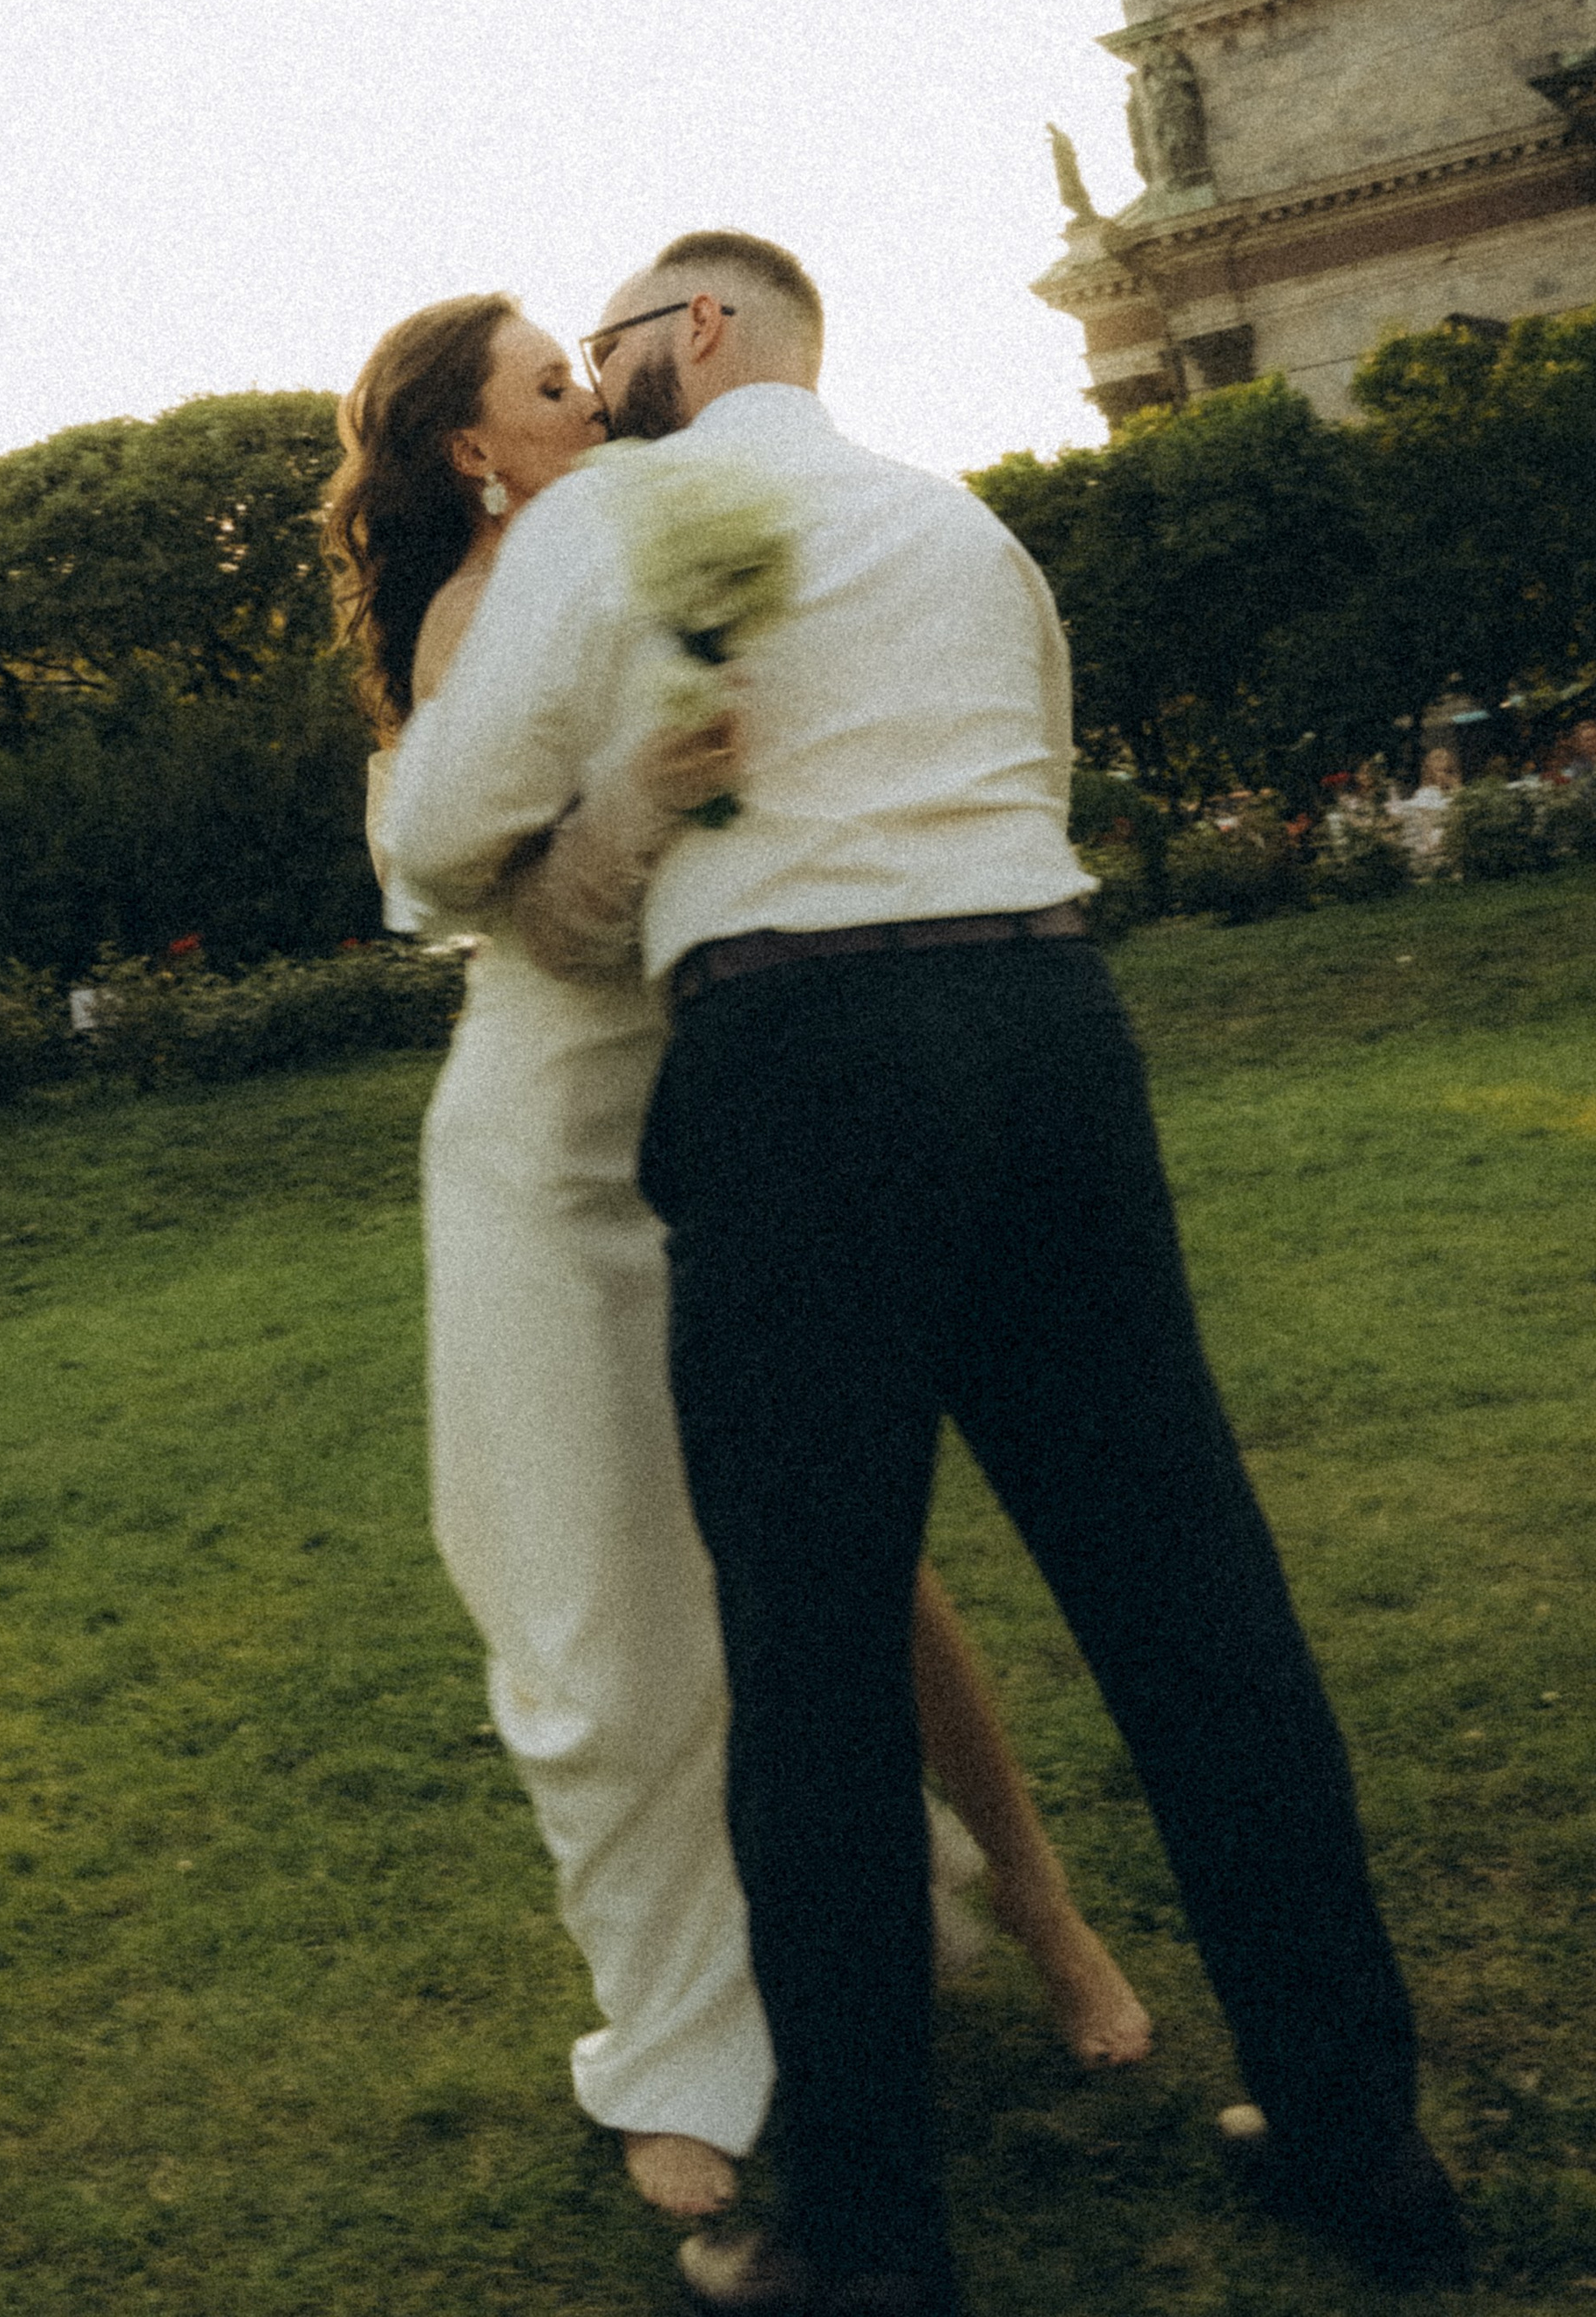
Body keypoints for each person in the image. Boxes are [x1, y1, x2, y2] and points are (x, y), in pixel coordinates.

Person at [389, 233, 1469, 2312]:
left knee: (803, 1657)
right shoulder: (960, 522)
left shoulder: (609, 513)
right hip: (1053, 1034)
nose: (594, 382)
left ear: (692, 336)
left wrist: (642, 783)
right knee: (1195, 1610)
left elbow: (439, 836)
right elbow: (1036, 772)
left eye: (607, 343)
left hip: (803, 1066)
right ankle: (1359, 2140)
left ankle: (869, 2243)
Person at [323, 292, 1151, 2229]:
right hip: (552, 1159)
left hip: (740, 1113)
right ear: (471, 451)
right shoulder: (480, 611)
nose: (592, 403)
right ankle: (682, 2039)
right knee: (603, 1635)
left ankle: (1037, 1912)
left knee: (859, 1565)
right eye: (549, 386)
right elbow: (521, 921)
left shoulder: (669, 538)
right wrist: (646, 797)